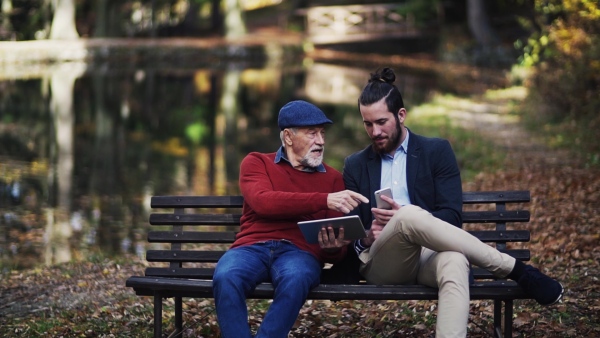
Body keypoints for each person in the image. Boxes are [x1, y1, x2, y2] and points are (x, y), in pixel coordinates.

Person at [338, 67, 564, 338]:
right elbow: (352, 233)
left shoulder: (436, 151)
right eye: (368, 124)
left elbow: (452, 217)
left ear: (401, 115)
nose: (375, 132)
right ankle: (516, 270)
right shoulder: (355, 165)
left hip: (430, 256)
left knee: (455, 260)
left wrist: (409, 216)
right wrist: (366, 237)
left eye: (382, 122)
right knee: (407, 216)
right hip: (383, 262)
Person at [212, 100, 369, 338]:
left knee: (297, 278)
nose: (321, 141)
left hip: (300, 254)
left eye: (322, 134)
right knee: (226, 276)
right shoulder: (257, 162)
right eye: (312, 134)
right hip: (251, 248)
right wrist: (323, 200)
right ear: (288, 137)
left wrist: (333, 249)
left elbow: (333, 252)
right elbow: (264, 202)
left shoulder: (334, 179)